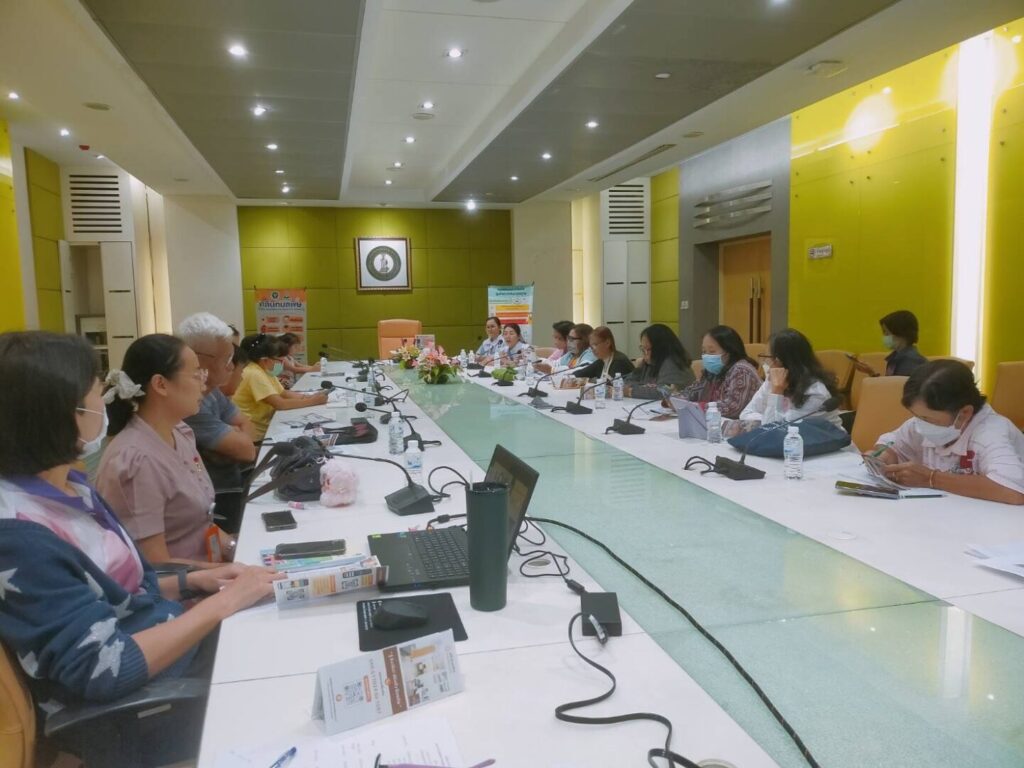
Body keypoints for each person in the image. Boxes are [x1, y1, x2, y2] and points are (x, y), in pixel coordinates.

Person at [0, 331, 280, 755]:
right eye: (95, 393)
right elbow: (103, 667)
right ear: (56, 412)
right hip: (140, 710)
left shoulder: (69, 485)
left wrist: (194, 582)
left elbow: (123, 590)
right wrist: (224, 603)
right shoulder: (20, 534)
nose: (106, 402)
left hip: (170, 642)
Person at [96, 334, 229, 567]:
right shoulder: (136, 461)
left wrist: (240, 550)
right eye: (196, 374)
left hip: (208, 569)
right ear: (160, 384)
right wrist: (231, 571)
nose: (203, 384)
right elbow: (156, 567)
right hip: (184, 585)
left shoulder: (180, 432)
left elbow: (200, 524)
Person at [872, 360, 1024, 505]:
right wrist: (883, 457)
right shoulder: (924, 423)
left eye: (927, 418)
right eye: (916, 416)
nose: (919, 424)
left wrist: (931, 478)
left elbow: (1014, 491)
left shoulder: (991, 432)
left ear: (964, 413)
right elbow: (892, 446)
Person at [179, 313, 257, 535]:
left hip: (222, 491)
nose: (231, 367)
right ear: (198, 360)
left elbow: (246, 425)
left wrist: (232, 436)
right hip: (216, 498)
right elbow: (246, 450)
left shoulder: (212, 392)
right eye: (227, 359)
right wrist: (234, 435)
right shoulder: (190, 406)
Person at [738, 328, 842, 429]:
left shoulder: (815, 393)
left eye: (767, 357)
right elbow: (745, 414)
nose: (764, 363)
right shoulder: (772, 381)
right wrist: (767, 417)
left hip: (823, 440)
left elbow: (774, 429)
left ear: (780, 361)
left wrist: (777, 392)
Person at [232, 334, 329, 442]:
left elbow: (283, 393)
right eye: (278, 360)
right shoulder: (254, 373)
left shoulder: (264, 370)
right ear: (265, 360)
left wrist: (308, 397)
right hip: (259, 436)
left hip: (270, 425)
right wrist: (313, 401)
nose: (280, 364)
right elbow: (280, 404)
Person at [680, 325, 762, 418]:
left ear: (729, 351)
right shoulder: (712, 371)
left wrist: (699, 407)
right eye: (704, 351)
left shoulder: (742, 371)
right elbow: (691, 393)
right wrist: (676, 400)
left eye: (712, 351)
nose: (706, 356)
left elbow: (733, 408)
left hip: (744, 424)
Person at [623, 324, 695, 399]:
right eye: (643, 349)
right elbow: (626, 382)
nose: (645, 353)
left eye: (648, 349)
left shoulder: (673, 364)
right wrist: (640, 381)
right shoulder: (651, 362)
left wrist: (630, 391)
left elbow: (663, 392)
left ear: (660, 348)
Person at [853, 310, 928, 377]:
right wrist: (871, 372)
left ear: (900, 333)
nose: (884, 337)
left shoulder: (912, 362)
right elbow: (889, 384)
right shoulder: (896, 358)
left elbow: (897, 387)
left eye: (886, 333)